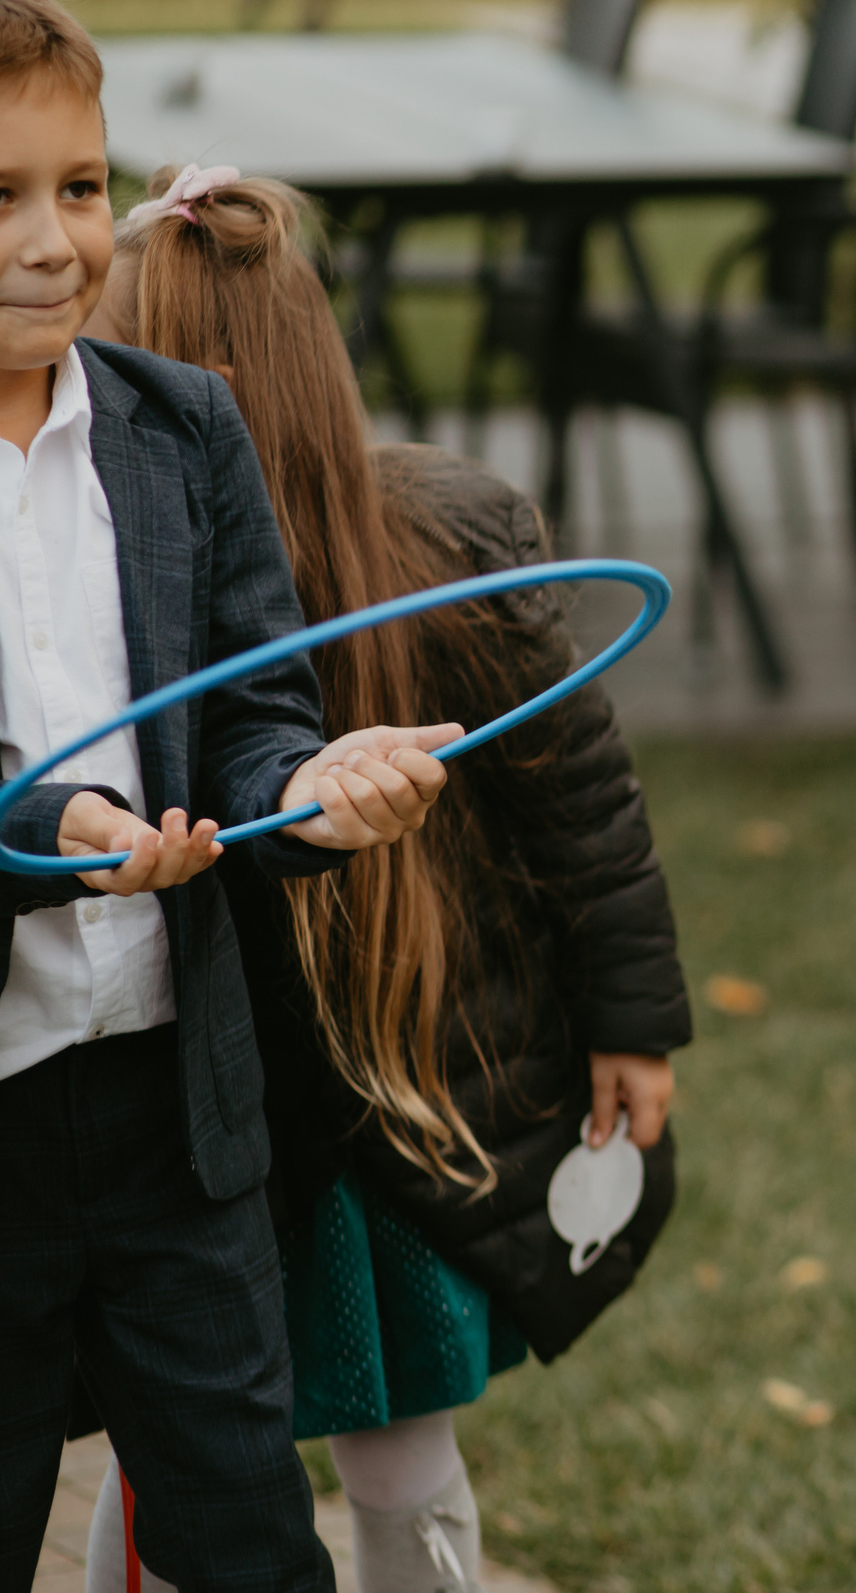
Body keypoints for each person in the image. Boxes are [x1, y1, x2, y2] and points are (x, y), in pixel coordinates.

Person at [76, 164, 692, 1592]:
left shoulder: (449, 545)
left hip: (395, 1127)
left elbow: (585, 814)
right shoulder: (99, 574)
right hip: (215, 1125)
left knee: (398, 1456)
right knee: (175, 1457)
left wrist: (632, 1022)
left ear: (210, 399)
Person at [0, 0, 460, 1592]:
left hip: (172, 1121)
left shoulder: (185, 427)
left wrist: (313, 790)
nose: (53, 241)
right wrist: (41, 829)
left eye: (80, 186)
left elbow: (256, 711)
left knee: (253, 1548)